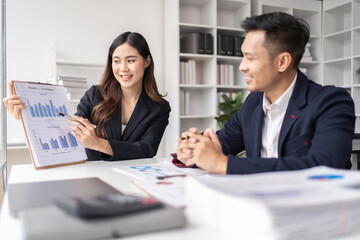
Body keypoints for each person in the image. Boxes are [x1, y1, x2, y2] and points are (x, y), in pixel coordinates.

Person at [176, 12, 355, 174]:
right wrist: (193, 149)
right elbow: (221, 144)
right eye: (243, 57)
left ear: (282, 62)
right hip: (260, 202)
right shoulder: (254, 102)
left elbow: (325, 166)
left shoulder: (331, 102)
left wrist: (223, 165)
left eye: (250, 58)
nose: (242, 66)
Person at [3, 31, 171, 161]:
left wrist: (97, 143)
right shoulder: (94, 95)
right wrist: (25, 118)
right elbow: (68, 132)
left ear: (147, 61)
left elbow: (146, 149)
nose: (123, 69)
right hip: (92, 176)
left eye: (131, 60)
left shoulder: (159, 107)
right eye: (117, 61)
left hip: (133, 178)